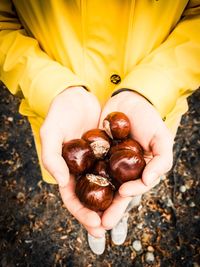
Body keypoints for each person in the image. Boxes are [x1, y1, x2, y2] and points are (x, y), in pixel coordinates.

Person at [0, 0, 200, 255]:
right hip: (61, 115)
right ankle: (95, 225)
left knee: (131, 185)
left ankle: (121, 214)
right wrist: (50, 86)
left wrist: (155, 85)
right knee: (76, 186)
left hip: (151, 110)